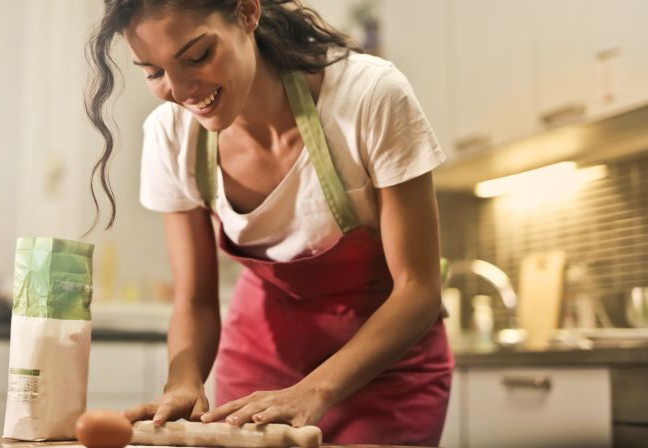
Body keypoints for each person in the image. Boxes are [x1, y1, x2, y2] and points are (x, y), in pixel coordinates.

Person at [85, 0, 453, 445]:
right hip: (260, 363)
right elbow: (196, 301)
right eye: (154, 72)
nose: (181, 90)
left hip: (387, 370)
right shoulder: (171, 134)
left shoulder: (369, 96)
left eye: (198, 56)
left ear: (246, 13)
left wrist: (313, 390)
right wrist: (183, 382)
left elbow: (418, 289)